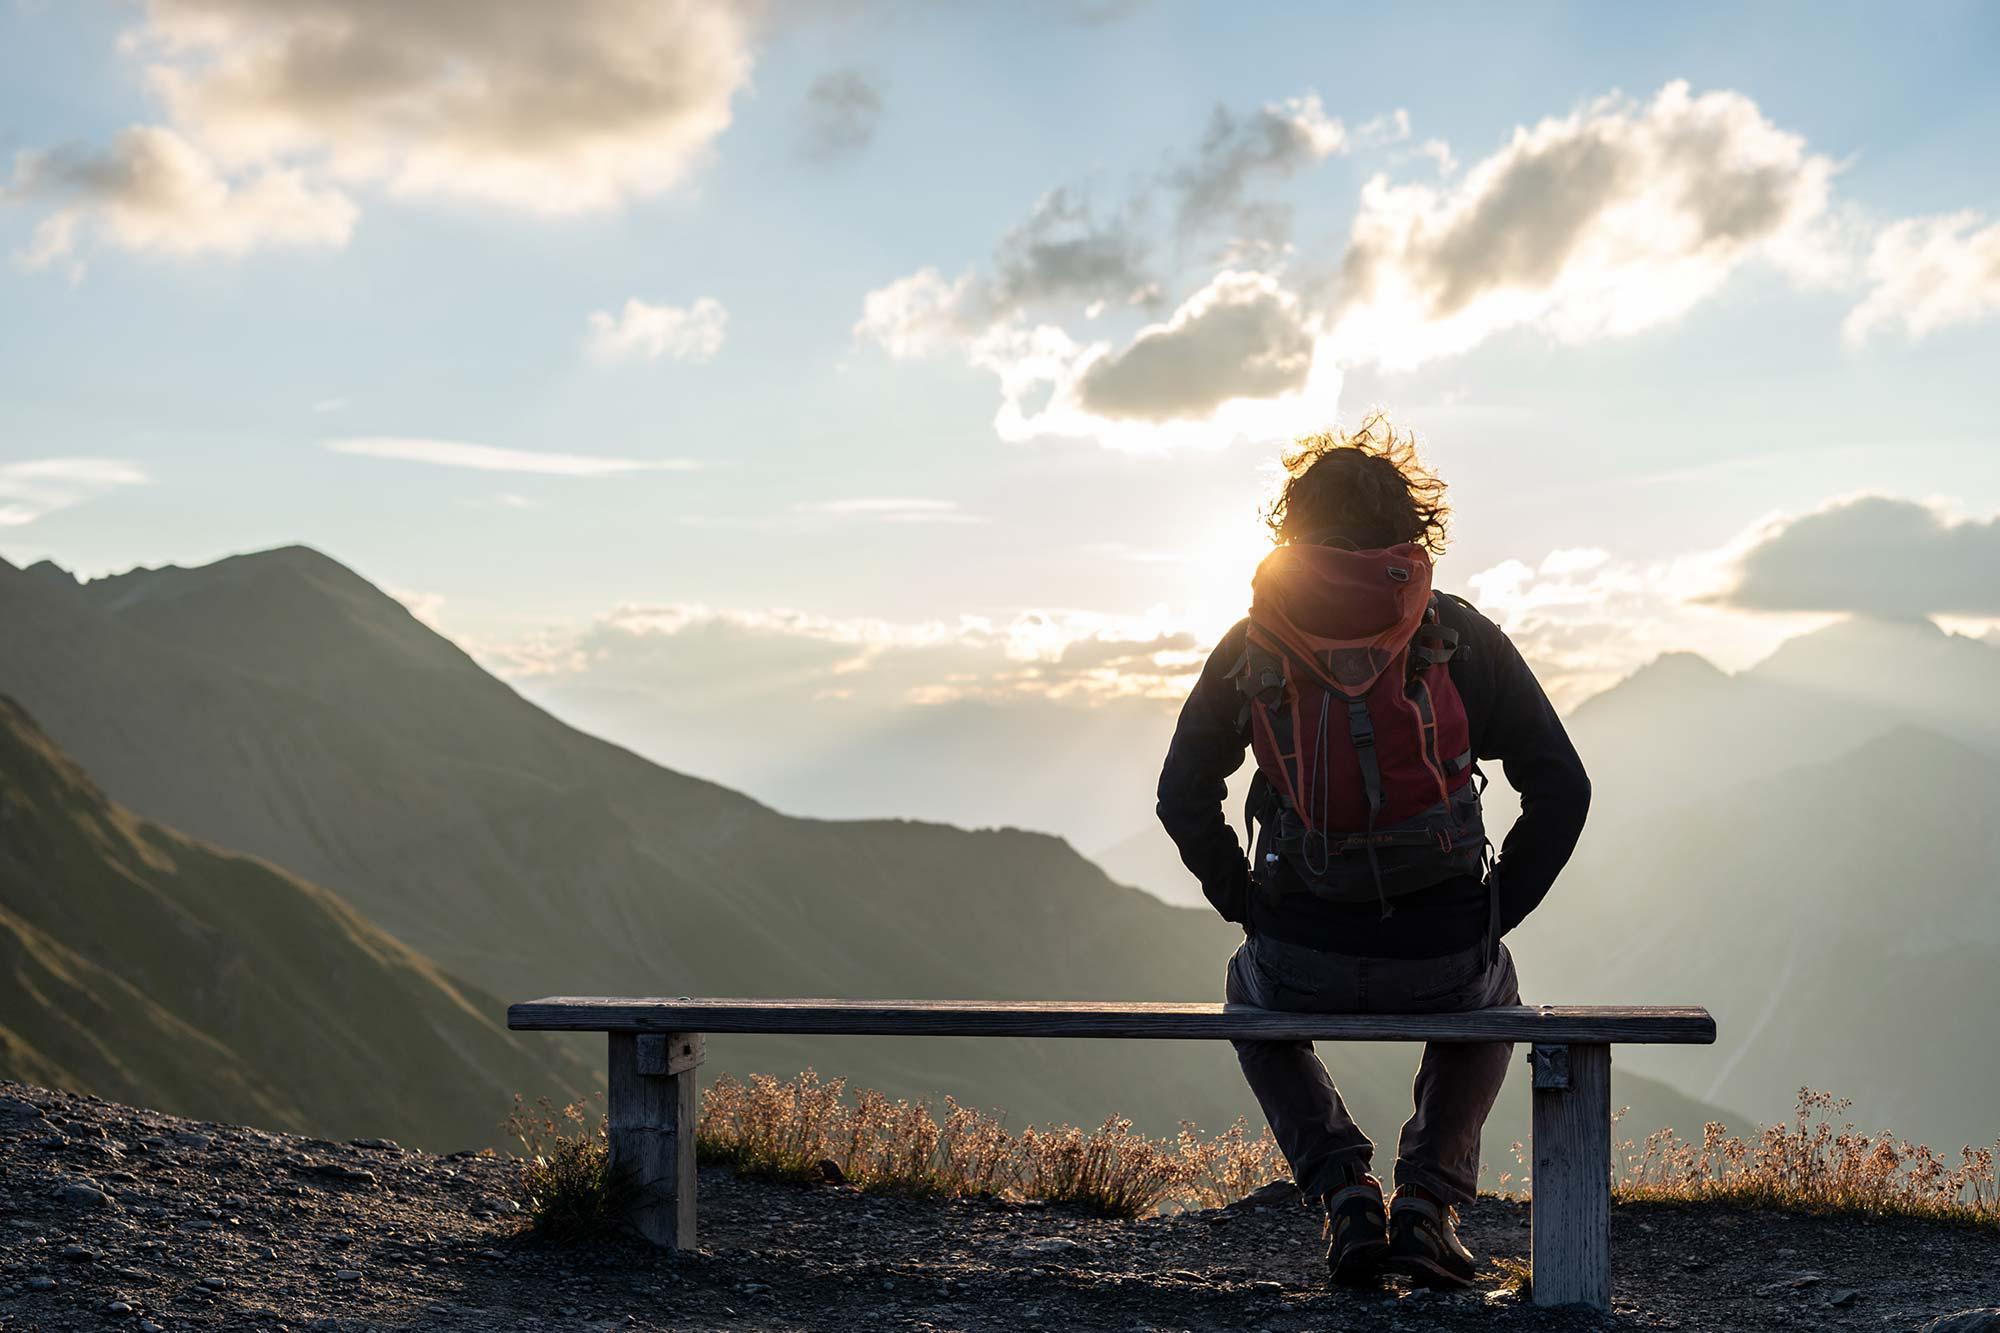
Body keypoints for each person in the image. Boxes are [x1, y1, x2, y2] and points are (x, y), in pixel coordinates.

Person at [1156, 414, 1589, 1290]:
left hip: (1296, 949)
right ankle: (1427, 1206)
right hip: (1442, 953)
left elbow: (1181, 794)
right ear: (1410, 532)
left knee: (1247, 991)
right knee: (1495, 986)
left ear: (1293, 530)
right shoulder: (1455, 633)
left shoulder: (1253, 643)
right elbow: (1562, 789)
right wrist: (1493, 908)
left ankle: (1344, 1192)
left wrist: (1244, 900)